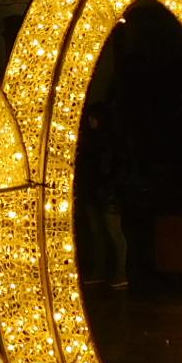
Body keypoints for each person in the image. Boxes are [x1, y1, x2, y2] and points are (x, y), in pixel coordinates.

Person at [76, 103, 131, 289]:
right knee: (97, 233)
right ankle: (101, 271)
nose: (91, 121)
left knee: (113, 233)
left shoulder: (113, 141)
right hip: (93, 192)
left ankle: (120, 273)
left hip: (108, 194)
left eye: (94, 118)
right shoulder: (90, 140)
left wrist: (110, 188)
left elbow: (120, 168)